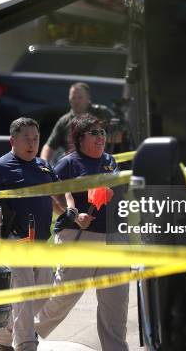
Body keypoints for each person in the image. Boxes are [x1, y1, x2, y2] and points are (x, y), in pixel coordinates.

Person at [35, 113, 130, 351]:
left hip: (113, 238)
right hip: (78, 238)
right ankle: (23, 335)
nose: (101, 138)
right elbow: (51, 192)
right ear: (79, 138)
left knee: (116, 304)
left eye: (102, 132)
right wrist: (73, 215)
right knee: (62, 299)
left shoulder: (110, 161)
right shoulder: (68, 163)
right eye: (94, 133)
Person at [0, 117, 66, 351]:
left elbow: (54, 197)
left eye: (36, 138)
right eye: (26, 138)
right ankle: (26, 345)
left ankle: (2, 335)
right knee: (25, 295)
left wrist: (68, 213)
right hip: (14, 241)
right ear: (13, 140)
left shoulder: (43, 166)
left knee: (45, 290)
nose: (32, 143)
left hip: (40, 242)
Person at [40, 82, 116, 162]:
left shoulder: (101, 113)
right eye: (73, 97)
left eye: (80, 97)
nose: (76, 101)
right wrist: (44, 164)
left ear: (88, 98)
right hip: (74, 166)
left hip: (101, 163)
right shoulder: (64, 121)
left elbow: (118, 137)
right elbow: (49, 146)